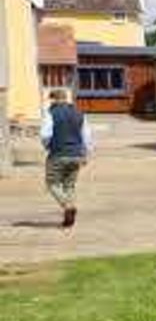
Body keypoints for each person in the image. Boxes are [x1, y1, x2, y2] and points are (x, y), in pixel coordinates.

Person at [39, 87, 92, 228]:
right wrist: (85, 153)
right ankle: (69, 216)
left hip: (58, 154)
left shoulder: (51, 113)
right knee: (69, 185)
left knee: (52, 184)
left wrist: (48, 146)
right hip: (76, 154)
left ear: (54, 99)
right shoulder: (79, 113)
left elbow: (45, 135)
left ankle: (68, 206)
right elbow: (86, 136)